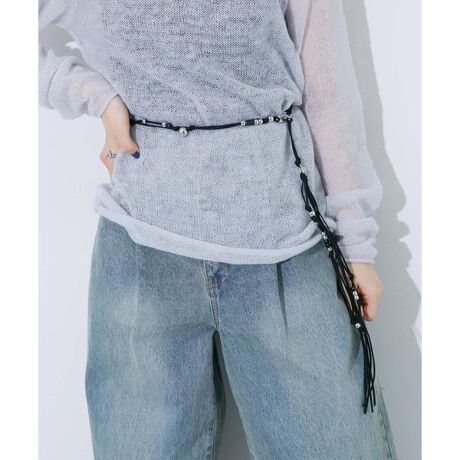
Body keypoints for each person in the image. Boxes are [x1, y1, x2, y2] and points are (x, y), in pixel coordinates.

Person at [39, 0, 398, 458]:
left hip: (287, 248)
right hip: (140, 256)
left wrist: (356, 241)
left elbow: (327, 89)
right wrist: (96, 96)